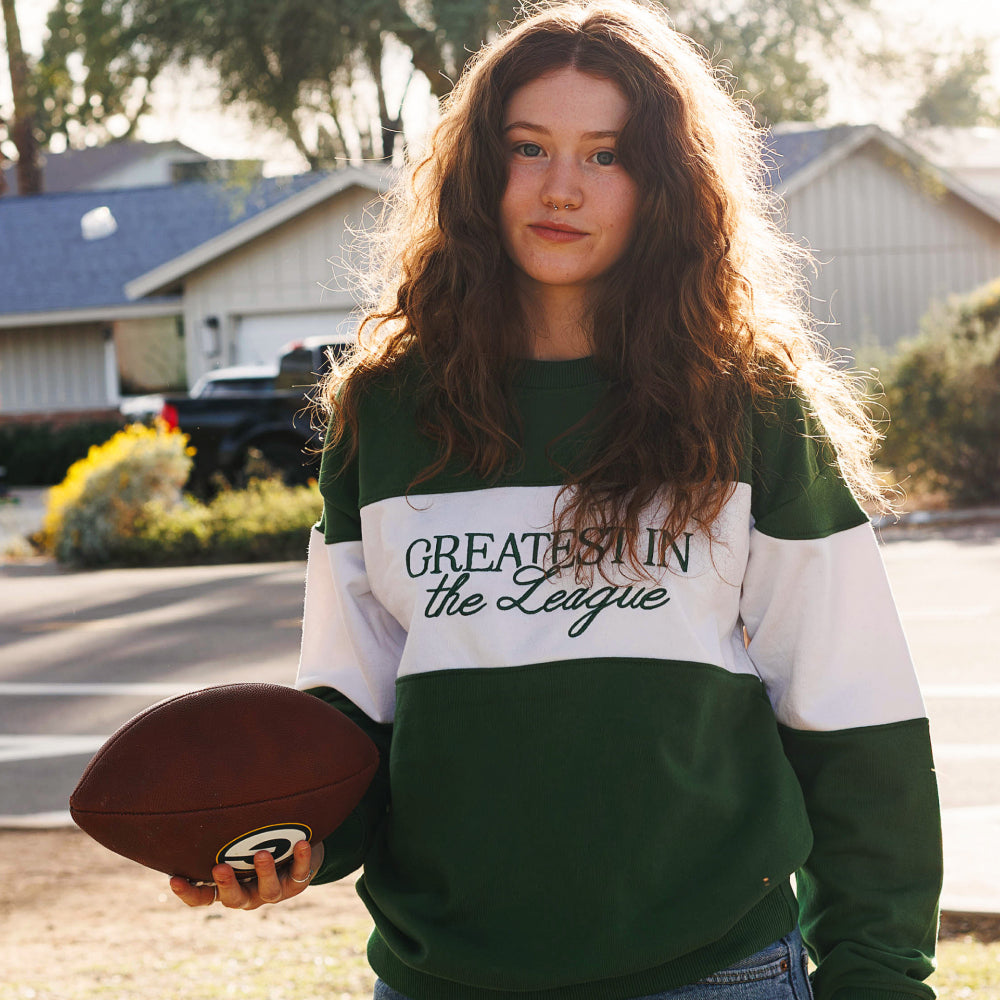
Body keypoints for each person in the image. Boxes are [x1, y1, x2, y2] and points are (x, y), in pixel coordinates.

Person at [171, 3, 943, 999]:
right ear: (477, 171)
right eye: (527, 147)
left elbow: (855, 714)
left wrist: (875, 970)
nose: (561, 188)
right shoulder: (389, 411)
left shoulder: (745, 404)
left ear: (664, 184)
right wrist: (278, 838)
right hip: (444, 977)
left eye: (607, 154)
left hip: (713, 971)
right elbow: (354, 707)